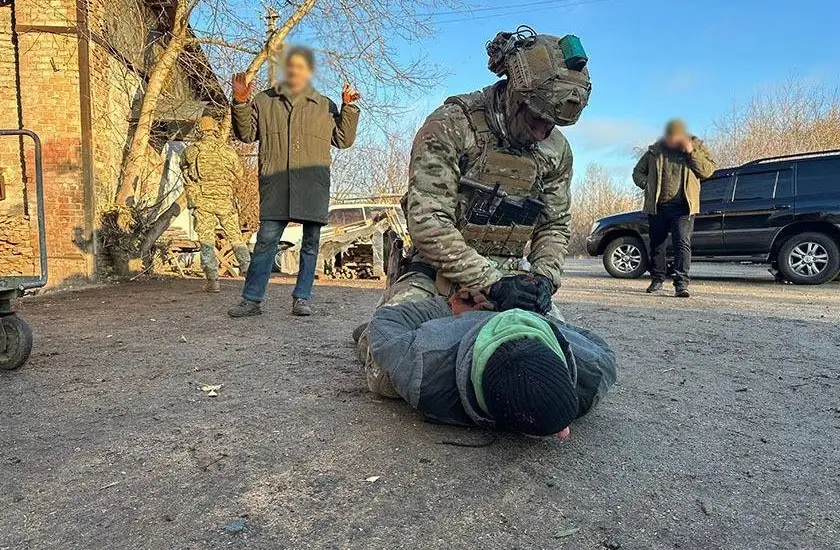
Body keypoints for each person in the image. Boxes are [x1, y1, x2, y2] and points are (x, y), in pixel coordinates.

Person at [355, 28, 592, 396]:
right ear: (515, 94)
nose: (544, 132)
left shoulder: (555, 151)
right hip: (436, 275)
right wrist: (490, 282)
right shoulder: (452, 125)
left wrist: (544, 279)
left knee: (562, 373)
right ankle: (378, 327)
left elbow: (555, 225)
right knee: (391, 376)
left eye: (553, 124)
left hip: (513, 280)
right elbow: (427, 220)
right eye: (535, 119)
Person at [227, 46, 360, 317]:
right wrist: (241, 103)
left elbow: (343, 140)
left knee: (310, 245)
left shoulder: (324, 105)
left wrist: (348, 108)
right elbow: (246, 135)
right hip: (277, 186)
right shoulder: (264, 102)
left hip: (312, 186)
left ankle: (302, 298)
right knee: (265, 242)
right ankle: (252, 300)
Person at [366, 293, 616, 438]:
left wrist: (539, 317)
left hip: (519, 308)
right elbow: (384, 320)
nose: (565, 434)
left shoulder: (593, 370)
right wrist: (449, 307)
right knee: (381, 378)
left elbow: (598, 344)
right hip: (458, 314)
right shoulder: (425, 370)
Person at [633, 119, 717, 298]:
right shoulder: (655, 150)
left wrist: (691, 152)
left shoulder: (696, 146)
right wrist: (647, 184)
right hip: (658, 206)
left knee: (682, 243)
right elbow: (637, 172)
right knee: (657, 244)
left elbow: (708, 171)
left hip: (683, 207)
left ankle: (681, 284)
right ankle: (657, 279)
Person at [180, 116, 250, 293]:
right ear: (216, 130)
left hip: (202, 201)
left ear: (199, 130)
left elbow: (183, 167)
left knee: (206, 240)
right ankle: (249, 274)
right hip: (225, 200)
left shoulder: (192, 151)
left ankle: (213, 281)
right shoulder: (227, 150)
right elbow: (240, 174)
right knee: (235, 237)